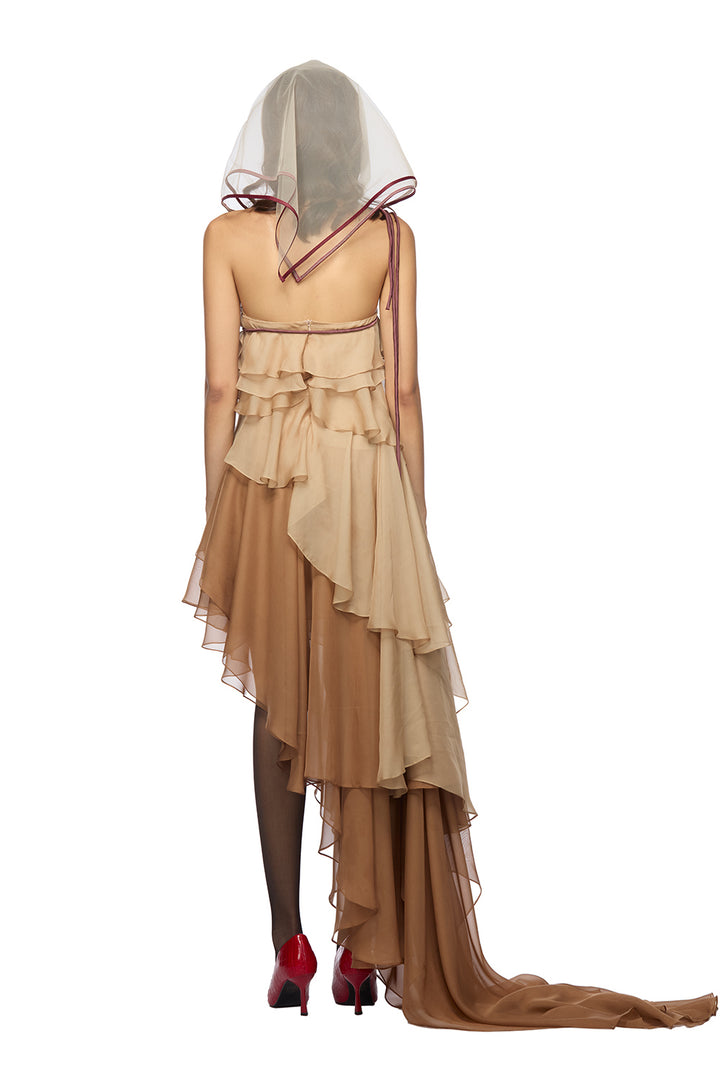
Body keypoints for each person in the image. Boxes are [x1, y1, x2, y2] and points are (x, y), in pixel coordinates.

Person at [182, 59, 717, 1030]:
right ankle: (364, 943)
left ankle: (290, 945)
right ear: (352, 144)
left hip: (263, 491)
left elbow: (220, 388)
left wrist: (217, 508)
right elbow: (405, 392)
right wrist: (412, 525)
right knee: (363, 695)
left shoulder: (225, 239)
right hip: (363, 491)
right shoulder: (390, 239)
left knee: (278, 704)